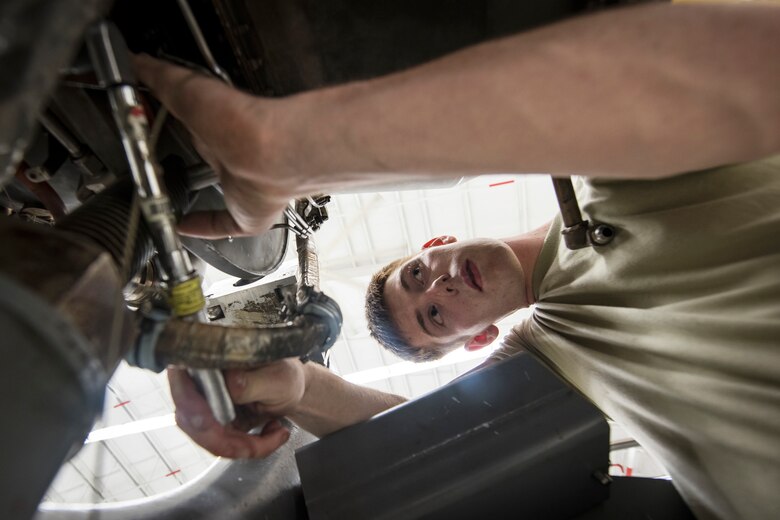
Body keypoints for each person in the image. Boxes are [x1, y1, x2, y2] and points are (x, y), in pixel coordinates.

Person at [135, 2, 780, 519]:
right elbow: (430, 435)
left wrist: (299, 147)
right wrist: (302, 388)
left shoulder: (611, 179)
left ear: (435, 244)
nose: (439, 286)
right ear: (482, 342)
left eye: (418, 276)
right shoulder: (558, 349)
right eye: (438, 317)